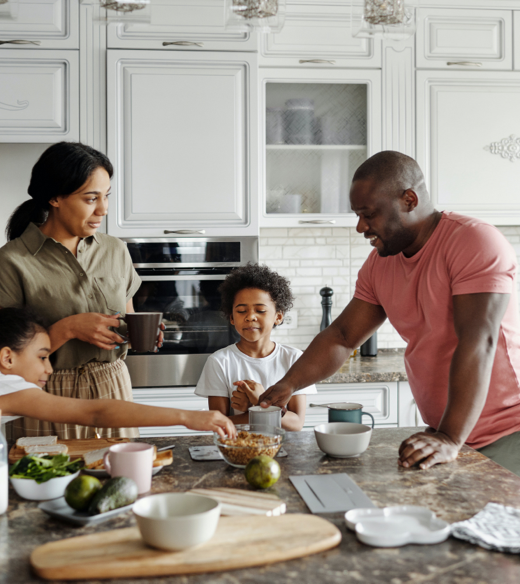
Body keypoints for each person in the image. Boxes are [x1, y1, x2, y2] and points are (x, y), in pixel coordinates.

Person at [259, 150, 520, 475]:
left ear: (409, 199)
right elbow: (342, 337)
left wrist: (449, 437)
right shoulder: (380, 264)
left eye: (369, 214)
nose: (360, 227)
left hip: (506, 433)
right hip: (446, 437)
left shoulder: (472, 242)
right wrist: (289, 384)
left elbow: (479, 341)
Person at [0, 142, 162, 440]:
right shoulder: (12, 261)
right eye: (91, 198)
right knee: (54, 483)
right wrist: (69, 328)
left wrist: (140, 331)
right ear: (54, 198)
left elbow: (127, 318)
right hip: (48, 396)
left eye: (106, 196)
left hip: (113, 386)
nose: (104, 209)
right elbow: (6, 358)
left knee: (122, 483)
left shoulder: (116, 250)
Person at [0, 308, 235, 439]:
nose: (49, 369)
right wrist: (188, 417)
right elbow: (95, 413)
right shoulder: (13, 390)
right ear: (7, 358)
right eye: (43, 356)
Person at [195, 263, 316, 431]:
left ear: (278, 316)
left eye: (260, 310)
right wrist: (259, 409)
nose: (250, 317)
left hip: (285, 451)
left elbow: (296, 424)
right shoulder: (219, 362)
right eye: (241, 311)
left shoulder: (294, 359)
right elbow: (219, 424)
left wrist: (259, 402)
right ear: (231, 318)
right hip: (239, 451)